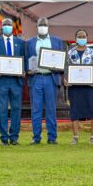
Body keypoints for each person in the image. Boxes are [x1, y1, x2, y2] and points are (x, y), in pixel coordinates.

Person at [25, 17, 64, 145]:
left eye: (45, 24)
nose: (42, 26)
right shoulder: (30, 42)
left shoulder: (57, 41)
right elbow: (26, 59)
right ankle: (36, 137)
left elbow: (62, 60)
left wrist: (58, 67)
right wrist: (27, 69)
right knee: (36, 109)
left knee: (51, 109)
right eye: (40, 24)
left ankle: (52, 137)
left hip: (51, 78)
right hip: (36, 77)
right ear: (37, 26)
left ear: (48, 26)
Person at [0, 18, 26, 146]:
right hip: (2, 81)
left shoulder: (20, 42)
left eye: (9, 25)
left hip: (16, 81)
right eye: (5, 24)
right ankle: (4, 137)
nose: (7, 26)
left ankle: (14, 136)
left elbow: (24, 60)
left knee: (16, 109)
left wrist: (24, 70)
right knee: (2, 109)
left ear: (13, 27)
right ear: (1, 27)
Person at [65, 29, 93, 144]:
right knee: (75, 110)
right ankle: (75, 137)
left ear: (87, 38)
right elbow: (66, 68)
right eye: (79, 36)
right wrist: (66, 79)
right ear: (75, 38)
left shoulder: (92, 52)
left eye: (83, 36)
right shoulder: (70, 52)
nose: (81, 38)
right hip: (75, 87)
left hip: (90, 87)